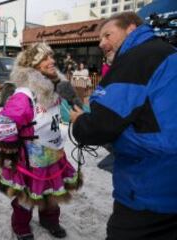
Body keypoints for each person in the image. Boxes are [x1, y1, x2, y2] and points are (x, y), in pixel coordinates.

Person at [70, 12, 177, 240]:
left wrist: (79, 121)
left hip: (151, 185)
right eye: (100, 38)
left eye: (108, 34)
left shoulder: (137, 58)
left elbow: (99, 126)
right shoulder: (166, 53)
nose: (101, 43)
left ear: (131, 29)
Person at [0, 42, 81, 240]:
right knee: (27, 196)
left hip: (55, 152)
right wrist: (10, 149)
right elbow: (4, 123)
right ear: (33, 65)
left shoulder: (56, 87)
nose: (51, 61)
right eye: (45, 58)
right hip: (32, 157)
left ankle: (50, 220)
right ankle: (21, 225)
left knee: (52, 191)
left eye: (51, 56)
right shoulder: (24, 95)